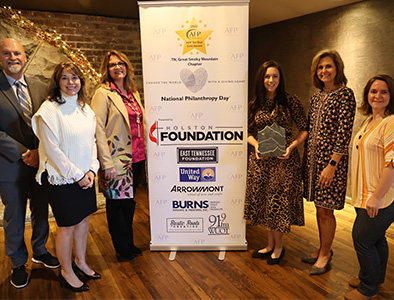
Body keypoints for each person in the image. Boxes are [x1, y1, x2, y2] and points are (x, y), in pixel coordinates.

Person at [31, 62, 101, 292]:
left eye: (75, 77)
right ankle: (67, 270)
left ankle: (81, 262)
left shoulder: (85, 108)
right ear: (57, 82)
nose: (71, 82)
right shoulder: (49, 109)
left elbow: (91, 142)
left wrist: (91, 170)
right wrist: (77, 175)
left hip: (86, 177)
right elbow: (52, 151)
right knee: (68, 226)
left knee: (83, 220)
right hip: (62, 178)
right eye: (65, 78)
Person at [0, 38, 59, 289]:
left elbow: (50, 122)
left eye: (17, 53)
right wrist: (27, 152)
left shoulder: (39, 85)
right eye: (6, 53)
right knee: (14, 216)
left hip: (40, 165)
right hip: (10, 164)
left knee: (40, 210)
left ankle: (39, 251)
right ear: (0, 58)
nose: (13, 57)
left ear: (25, 57)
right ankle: (17, 263)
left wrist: (41, 152)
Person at [245, 60, 308, 265]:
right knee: (264, 202)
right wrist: (255, 145)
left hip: (284, 161)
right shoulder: (255, 103)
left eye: (275, 76)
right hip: (261, 162)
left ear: (280, 79)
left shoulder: (291, 101)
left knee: (278, 203)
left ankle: (279, 247)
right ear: (261, 79)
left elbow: (304, 129)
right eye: (267, 76)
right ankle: (270, 244)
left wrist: (291, 147)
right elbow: (246, 132)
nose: (270, 80)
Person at [302, 50, 356, 275]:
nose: (324, 71)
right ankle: (323, 248)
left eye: (328, 67)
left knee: (327, 210)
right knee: (319, 208)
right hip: (313, 162)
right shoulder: (317, 95)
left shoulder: (345, 95)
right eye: (320, 67)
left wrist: (332, 166)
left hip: (330, 164)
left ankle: (325, 254)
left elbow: (344, 133)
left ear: (337, 69)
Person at [91, 50, 146, 261]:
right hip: (117, 158)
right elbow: (98, 129)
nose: (117, 67)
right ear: (107, 69)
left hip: (137, 157)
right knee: (116, 205)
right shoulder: (103, 93)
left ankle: (129, 243)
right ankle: (121, 248)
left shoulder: (134, 93)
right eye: (112, 64)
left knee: (129, 203)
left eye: (120, 63)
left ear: (127, 67)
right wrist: (106, 162)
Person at [344, 75, 394, 300]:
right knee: (376, 239)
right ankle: (373, 277)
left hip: (378, 197)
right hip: (363, 194)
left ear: (391, 96)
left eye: (384, 92)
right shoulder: (369, 121)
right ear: (367, 95)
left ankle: (368, 288)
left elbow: (391, 164)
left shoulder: (390, 122)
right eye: (374, 91)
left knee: (362, 239)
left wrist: (375, 197)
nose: (378, 96)